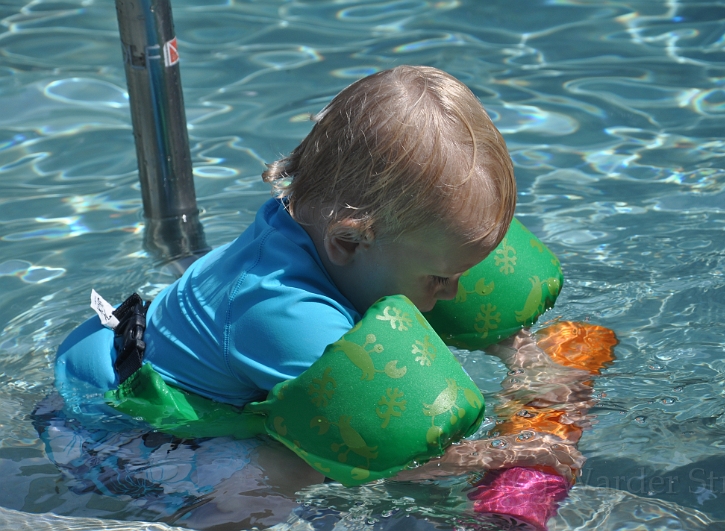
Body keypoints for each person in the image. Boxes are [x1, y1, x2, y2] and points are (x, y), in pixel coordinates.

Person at [55, 64, 515, 407]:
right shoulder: (292, 320)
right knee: (271, 480)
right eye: (439, 278)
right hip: (118, 428)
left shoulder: (313, 231)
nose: (454, 293)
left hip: (129, 350)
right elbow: (395, 456)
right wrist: (520, 438)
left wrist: (512, 349)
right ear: (348, 241)